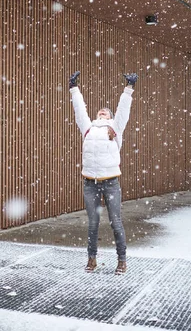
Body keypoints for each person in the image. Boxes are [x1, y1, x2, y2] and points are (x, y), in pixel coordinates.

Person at [68, 70, 138, 275]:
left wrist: (128, 89)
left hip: (110, 183)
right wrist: (74, 88)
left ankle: (122, 261)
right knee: (92, 223)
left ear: (111, 117)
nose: (102, 112)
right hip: (90, 183)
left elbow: (123, 110)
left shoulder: (115, 129)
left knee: (116, 222)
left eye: (106, 112)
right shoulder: (88, 128)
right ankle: (92, 260)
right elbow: (80, 111)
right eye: (100, 111)